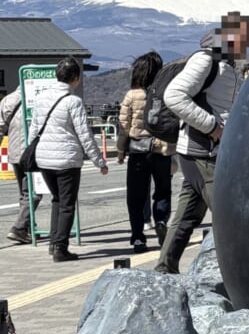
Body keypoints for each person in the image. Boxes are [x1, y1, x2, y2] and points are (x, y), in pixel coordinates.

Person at [155, 11, 249, 275]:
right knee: (228, 214)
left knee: (187, 215)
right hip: (201, 152)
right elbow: (174, 96)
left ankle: (164, 268)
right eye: (243, 37)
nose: (246, 43)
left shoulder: (225, 63)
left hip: (204, 151)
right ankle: (244, 273)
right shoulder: (206, 61)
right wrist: (211, 126)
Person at [28, 56, 109, 262]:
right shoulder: (73, 102)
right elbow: (84, 135)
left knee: (57, 199)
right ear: (74, 77)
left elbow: (34, 130)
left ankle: (54, 243)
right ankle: (61, 248)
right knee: (67, 203)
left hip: (44, 159)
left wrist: (33, 153)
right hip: (66, 160)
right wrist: (99, 160)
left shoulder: (41, 99)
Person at [116, 51, 174, 253]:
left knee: (136, 196)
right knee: (163, 191)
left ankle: (138, 237)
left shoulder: (132, 95)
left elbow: (124, 124)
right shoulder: (165, 93)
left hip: (138, 150)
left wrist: (121, 150)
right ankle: (160, 220)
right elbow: (171, 123)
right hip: (162, 149)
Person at [0, 88, 42, 244]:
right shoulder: (40, 97)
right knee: (35, 192)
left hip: (14, 152)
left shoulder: (8, 99)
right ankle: (18, 228)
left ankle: (28, 228)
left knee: (24, 192)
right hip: (32, 152)